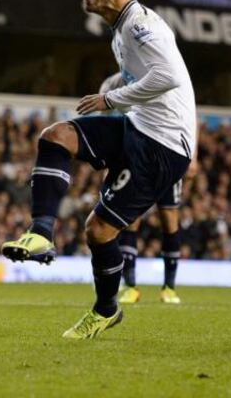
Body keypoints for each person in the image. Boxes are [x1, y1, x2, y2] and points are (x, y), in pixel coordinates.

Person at [0, 0, 196, 339]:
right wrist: (114, 88)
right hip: (138, 127)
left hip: (162, 147)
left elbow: (169, 76)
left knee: (99, 232)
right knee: (55, 136)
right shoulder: (121, 29)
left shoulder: (141, 25)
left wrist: (110, 99)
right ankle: (40, 232)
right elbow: (140, 77)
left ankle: (106, 309)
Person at [99, 73, 195, 305]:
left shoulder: (163, 73)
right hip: (133, 158)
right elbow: (107, 120)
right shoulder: (112, 83)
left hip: (166, 153)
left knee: (169, 218)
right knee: (130, 220)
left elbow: (190, 114)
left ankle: (169, 288)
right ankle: (130, 286)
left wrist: (193, 152)